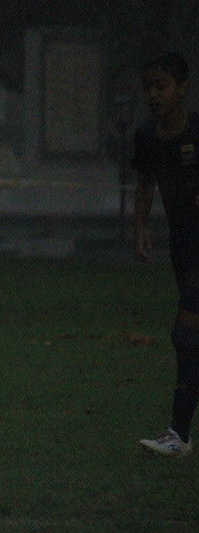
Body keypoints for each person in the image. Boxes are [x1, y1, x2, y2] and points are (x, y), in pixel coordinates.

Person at [134, 52, 199, 456]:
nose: (154, 94)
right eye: (148, 87)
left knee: (185, 333)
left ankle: (178, 435)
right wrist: (140, 227)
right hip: (183, 243)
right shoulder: (145, 137)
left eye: (162, 86)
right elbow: (144, 184)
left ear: (183, 88)